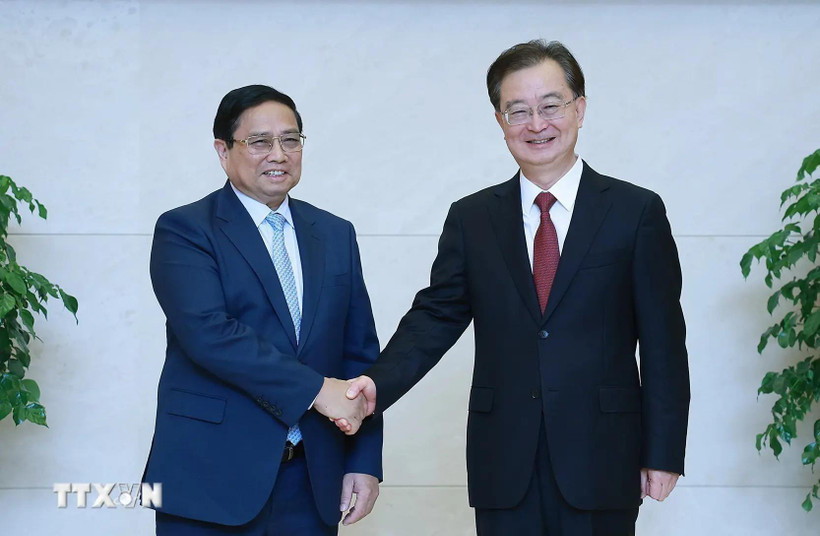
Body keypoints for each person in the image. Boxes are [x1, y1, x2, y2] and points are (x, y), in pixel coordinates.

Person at [342, 40, 690, 535]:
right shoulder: (473, 218)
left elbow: (663, 343)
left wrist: (663, 450)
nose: (537, 124)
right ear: (501, 122)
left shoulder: (636, 212)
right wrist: (376, 383)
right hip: (503, 457)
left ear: (580, 109)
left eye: (551, 106)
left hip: (603, 453)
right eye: (518, 111)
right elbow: (435, 318)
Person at [142, 84, 382, 535]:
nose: (279, 153)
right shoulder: (186, 229)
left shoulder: (334, 234)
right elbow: (209, 333)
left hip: (312, 480)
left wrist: (365, 461)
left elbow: (360, 355)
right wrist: (316, 390)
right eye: (260, 141)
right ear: (223, 150)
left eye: (290, 140)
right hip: (210, 480)